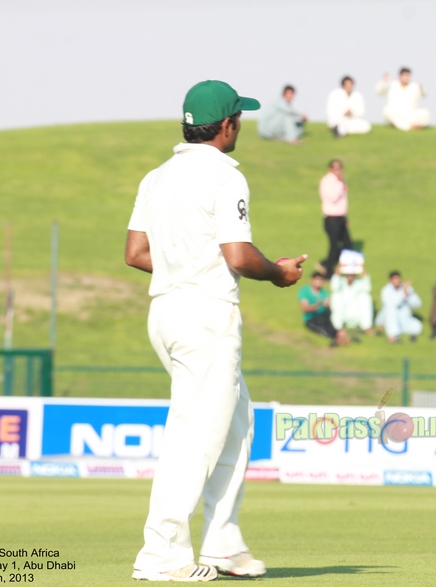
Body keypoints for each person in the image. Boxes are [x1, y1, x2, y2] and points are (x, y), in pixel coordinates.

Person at [125, 79, 307, 582]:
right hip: (206, 316)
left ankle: (223, 543)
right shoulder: (226, 177)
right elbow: (237, 255)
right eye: (239, 119)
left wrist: (183, 267)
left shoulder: (156, 177)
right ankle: (162, 554)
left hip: (165, 311)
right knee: (196, 436)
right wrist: (278, 273)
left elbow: (137, 254)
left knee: (235, 423)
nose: (241, 126)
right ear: (226, 126)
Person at [317, 159, 353, 277]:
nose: (338, 171)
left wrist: (345, 217)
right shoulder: (327, 181)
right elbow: (333, 197)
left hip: (340, 217)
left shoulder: (341, 181)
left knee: (347, 245)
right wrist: (340, 183)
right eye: (335, 169)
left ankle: (327, 264)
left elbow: (343, 201)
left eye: (340, 168)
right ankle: (328, 273)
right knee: (334, 246)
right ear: (330, 169)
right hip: (331, 218)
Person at [298, 272, 350, 346]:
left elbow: (328, 310)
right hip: (311, 318)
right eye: (317, 280)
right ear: (312, 280)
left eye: (320, 280)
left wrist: (328, 306)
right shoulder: (304, 291)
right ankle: (338, 339)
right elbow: (305, 308)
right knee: (324, 331)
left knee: (333, 326)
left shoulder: (324, 293)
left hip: (324, 316)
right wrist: (317, 306)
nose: (319, 282)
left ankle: (341, 336)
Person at [329, 250, 375, 335]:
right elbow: (334, 286)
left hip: (357, 313)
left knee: (365, 296)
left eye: (352, 274)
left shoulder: (359, 283)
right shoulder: (341, 282)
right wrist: (340, 265)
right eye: (348, 274)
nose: (350, 276)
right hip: (343, 314)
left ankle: (367, 326)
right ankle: (337, 327)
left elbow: (367, 287)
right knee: (336, 295)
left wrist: (361, 267)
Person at [375, 271, 422, 343]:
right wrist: (403, 294)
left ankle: (396, 329)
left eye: (398, 279)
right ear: (390, 281)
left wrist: (408, 296)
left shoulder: (407, 289)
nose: (397, 281)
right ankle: (392, 336)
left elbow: (418, 304)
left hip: (404, 318)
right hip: (388, 317)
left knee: (418, 327)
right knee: (391, 310)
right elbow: (391, 304)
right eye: (394, 279)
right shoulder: (386, 290)